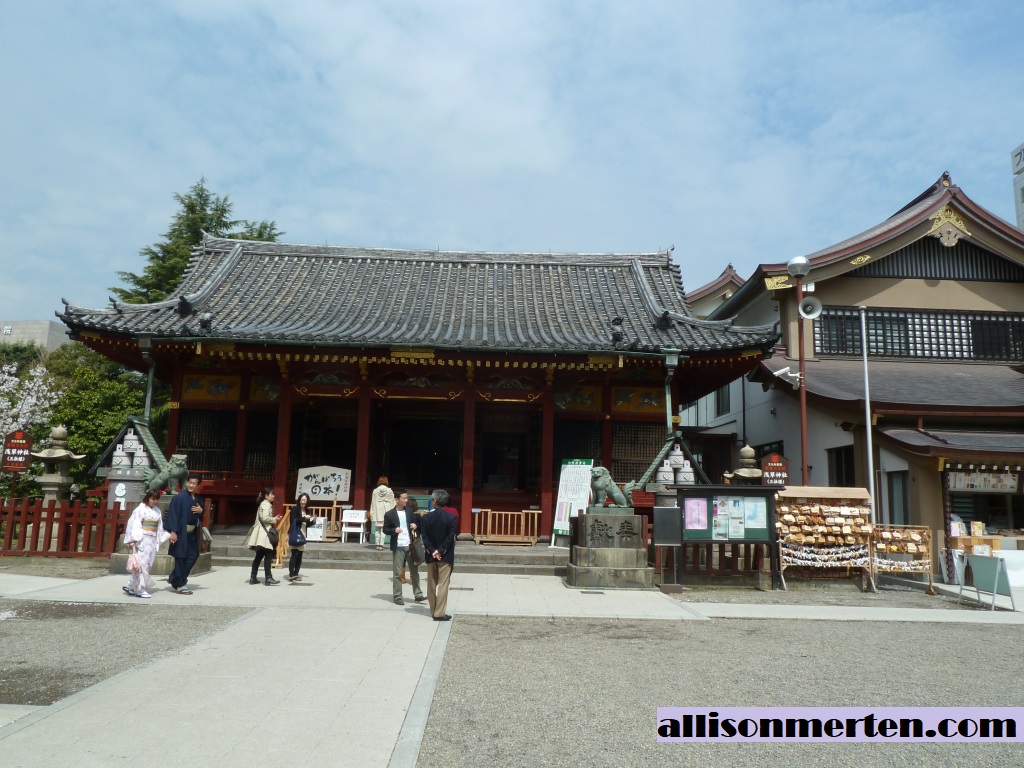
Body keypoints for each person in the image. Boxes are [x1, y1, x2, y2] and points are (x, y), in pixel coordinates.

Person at [419, 488, 458, 621]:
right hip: (445, 556)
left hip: (431, 555)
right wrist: (440, 551)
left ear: (435, 501)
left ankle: (433, 609)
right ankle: (439, 612)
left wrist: (432, 551)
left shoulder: (425, 518)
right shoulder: (452, 518)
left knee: (431, 584)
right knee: (443, 584)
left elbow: (424, 538)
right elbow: (450, 537)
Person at [122, 491, 169, 599]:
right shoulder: (140, 509)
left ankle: (131, 585)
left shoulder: (157, 511)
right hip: (141, 540)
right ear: (148, 498)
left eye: (156, 499)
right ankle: (140, 589)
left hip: (152, 539)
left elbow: (159, 526)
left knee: (147, 563)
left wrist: (164, 536)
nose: (154, 501)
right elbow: (134, 524)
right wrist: (133, 540)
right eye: (152, 499)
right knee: (142, 565)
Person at [382, 488, 425, 605]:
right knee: (397, 573)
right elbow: (385, 529)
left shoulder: (409, 511)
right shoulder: (389, 514)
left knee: (414, 571)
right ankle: (397, 596)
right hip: (398, 546)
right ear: (397, 499)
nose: (406, 500)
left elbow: (418, 523)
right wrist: (394, 530)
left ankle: (418, 594)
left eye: (407, 498)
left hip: (410, 545)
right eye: (404, 498)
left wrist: (415, 525)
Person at [166, 473, 204, 595]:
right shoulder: (179, 498)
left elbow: (201, 513)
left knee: (193, 555)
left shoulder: (198, 498)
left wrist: (201, 511)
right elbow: (173, 514)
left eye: (194, 484)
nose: (191, 485)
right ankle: (180, 584)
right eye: (190, 483)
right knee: (181, 557)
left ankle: (175, 577)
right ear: (186, 483)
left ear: (198, 485)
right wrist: (173, 532)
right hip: (181, 532)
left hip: (192, 533)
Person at [243, 487, 282, 585]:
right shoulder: (266, 505)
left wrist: (273, 518)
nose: (273, 496)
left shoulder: (263, 504)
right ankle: (268, 577)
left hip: (261, 533)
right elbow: (264, 518)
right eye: (272, 494)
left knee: (259, 556)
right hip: (264, 533)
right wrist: (275, 519)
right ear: (266, 496)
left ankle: (253, 577)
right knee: (268, 554)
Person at [288, 492, 315, 582]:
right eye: (301, 500)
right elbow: (293, 520)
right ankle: (291, 574)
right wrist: (304, 518)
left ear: (307, 501)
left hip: (302, 533)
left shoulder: (307, 510)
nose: (303, 502)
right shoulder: (295, 509)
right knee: (294, 553)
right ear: (299, 500)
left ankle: (296, 574)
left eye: (305, 500)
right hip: (295, 533)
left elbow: (306, 524)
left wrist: (313, 522)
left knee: (300, 555)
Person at [369, 475, 395, 550]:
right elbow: (392, 502)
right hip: (386, 512)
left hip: (377, 512)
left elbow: (373, 502)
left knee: (377, 529)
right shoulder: (389, 490)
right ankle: (381, 545)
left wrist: (372, 512)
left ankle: (377, 544)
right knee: (384, 529)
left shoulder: (375, 490)